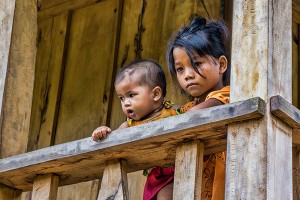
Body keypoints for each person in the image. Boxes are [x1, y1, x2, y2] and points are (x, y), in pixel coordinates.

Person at [92, 59, 177, 200]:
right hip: (156, 175)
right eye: (121, 98)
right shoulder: (130, 124)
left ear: (156, 94)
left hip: (175, 170)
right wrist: (102, 131)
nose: (126, 103)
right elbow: (114, 137)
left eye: (131, 95)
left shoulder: (171, 112)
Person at [166, 15, 230, 200]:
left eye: (196, 64)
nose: (187, 75)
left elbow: (193, 115)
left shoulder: (226, 95)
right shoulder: (188, 107)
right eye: (180, 69)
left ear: (221, 64)